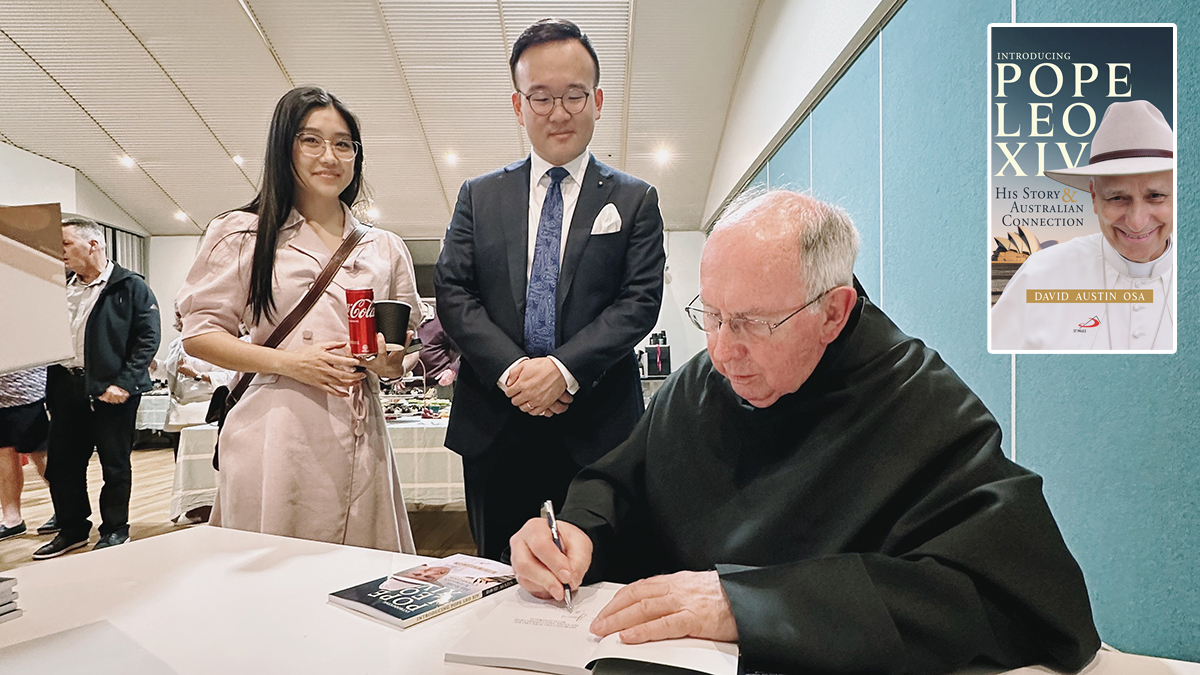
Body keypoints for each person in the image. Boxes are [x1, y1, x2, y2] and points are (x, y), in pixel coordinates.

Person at [510, 191, 1101, 675]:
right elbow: (621, 485)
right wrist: (575, 531)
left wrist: (752, 605)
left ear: (834, 313)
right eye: (710, 315)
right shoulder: (703, 382)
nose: (722, 352)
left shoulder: (917, 401)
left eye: (751, 323)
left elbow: (1010, 599)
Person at [435, 18, 665, 560]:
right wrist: (516, 372)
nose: (558, 112)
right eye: (540, 97)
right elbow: (453, 292)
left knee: (602, 575)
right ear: (519, 106)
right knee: (496, 577)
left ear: (598, 99)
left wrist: (560, 370)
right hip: (495, 422)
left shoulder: (635, 200)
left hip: (597, 426)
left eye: (573, 95)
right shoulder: (478, 195)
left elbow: (639, 302)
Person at [177, 86, 420, 553]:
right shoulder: (241, 233)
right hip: (276, 427)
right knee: (273, 571)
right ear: (283, 147)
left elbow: (397, 350)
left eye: (343, 143)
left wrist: (389, 364)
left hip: (359, 424)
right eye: (311, 140)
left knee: (362, 572)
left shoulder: (383, 246)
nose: (329, 156)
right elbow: (201, 334)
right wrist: (291, 362)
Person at [992, 100, 1174, 350]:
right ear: (1094, 197)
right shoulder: (1040, 277)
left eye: (1155, 196)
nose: (1136, 221)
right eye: (1117, 198)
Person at [35, 217, 161, 559]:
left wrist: (124, 383)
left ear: (93, 244)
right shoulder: (59, 286)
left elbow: (147, 340)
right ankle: (73, 529)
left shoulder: (130, 286)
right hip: (65, 386)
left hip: (112, 391)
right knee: (62, 464)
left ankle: (115, 529)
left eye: (65, 244)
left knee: (114, 465)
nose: (59, 252)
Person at [0, 367, 50, 541]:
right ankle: (11, 518)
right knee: (4, 453)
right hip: (3, 394)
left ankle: (65, 509)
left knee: (39, 452)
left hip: (27, 390)